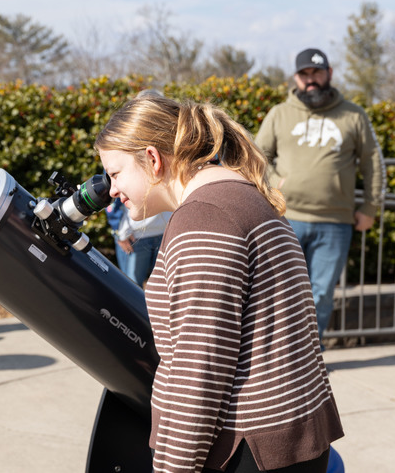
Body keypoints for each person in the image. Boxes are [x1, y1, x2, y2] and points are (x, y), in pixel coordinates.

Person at [95, 95, 343, 472]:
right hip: (289, 440)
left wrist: (172, 468)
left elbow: (200, 370)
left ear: (153, 158)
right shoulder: (242, 196)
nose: (112, 190)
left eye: (115, 173)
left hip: (248, 450)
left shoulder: (204, 218)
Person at [255, 48, 385, 340]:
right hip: (285, 218)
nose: (311, 80)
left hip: (335, 222)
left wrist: (371, 207)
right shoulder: (279, 114)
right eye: (305, 74)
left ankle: (311, 356)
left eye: (317, 73)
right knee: (278, 291)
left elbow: (373, 163)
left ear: (330, 73)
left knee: (321, 294)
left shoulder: (354, 115)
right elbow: (255, 157)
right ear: (296, 78)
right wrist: (276, 183)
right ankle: (278, 357)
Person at [105, 88, 171, 288]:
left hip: (165, 232)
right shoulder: (122, 145)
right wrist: (120, 231)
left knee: (161, 290)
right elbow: (113, 190)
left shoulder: (170, 144)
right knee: (132, 290)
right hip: (136, 234)